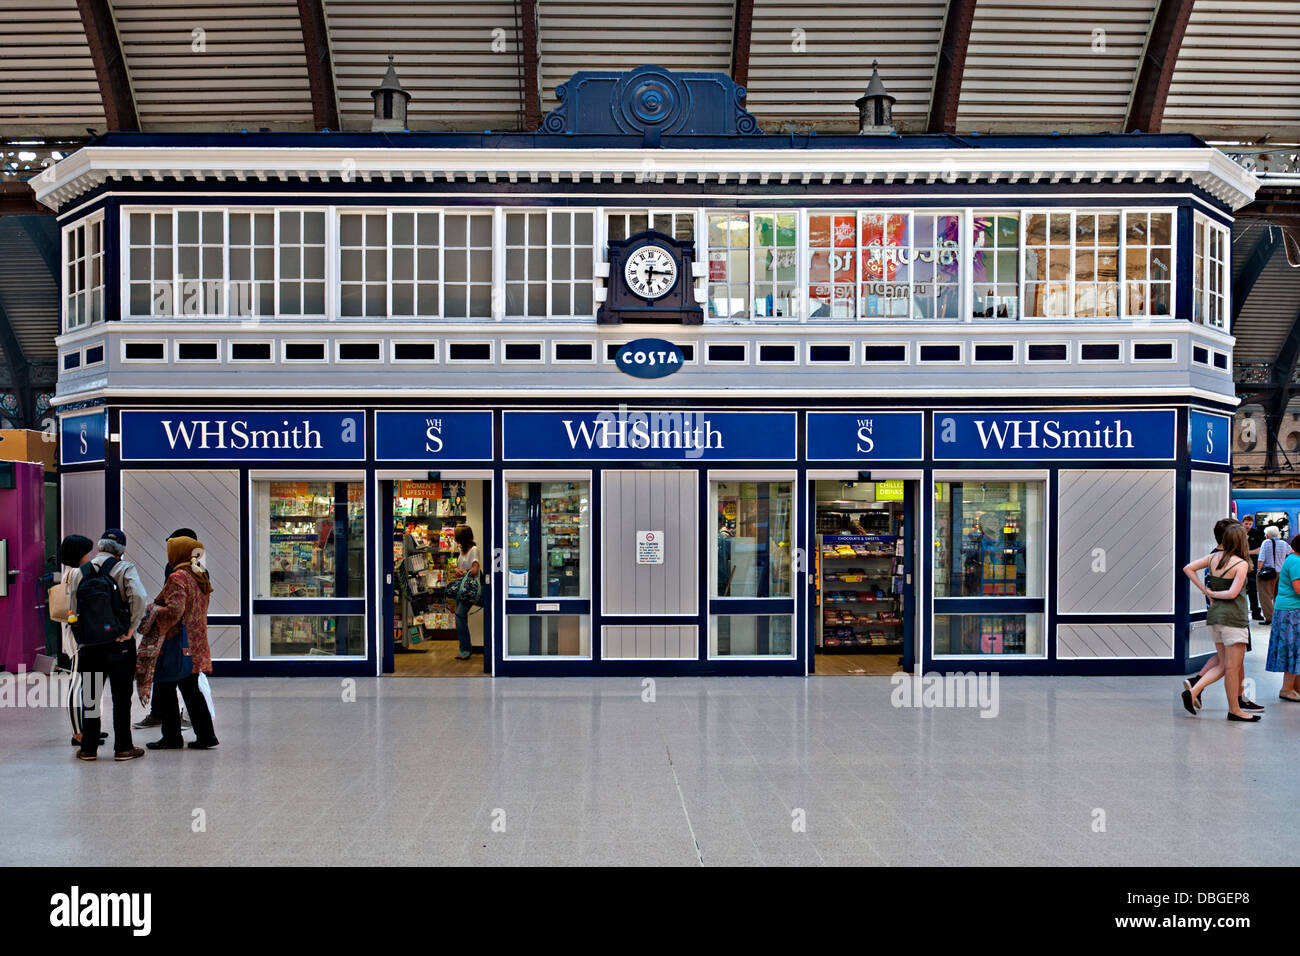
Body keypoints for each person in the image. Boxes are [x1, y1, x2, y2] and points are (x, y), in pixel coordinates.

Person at [70, 531, 145, 761]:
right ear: (120, 551)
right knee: (121, 697)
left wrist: (81, 636)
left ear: (100, 547)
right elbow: (139, 597)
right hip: (119, 643)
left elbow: (73, 609)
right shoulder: (125, 569)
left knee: (91, 695)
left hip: (90, 645)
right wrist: (131, 628)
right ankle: (123, 748)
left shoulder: (79, 573)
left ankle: (89, 748)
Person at [1181, 523, 1263, 721]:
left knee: (1224, 665)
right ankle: (1235, 710)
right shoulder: (1241, 564)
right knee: (1232, 669)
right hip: (1234, 618)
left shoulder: (1212, 558)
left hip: (1215, 618)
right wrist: (1213, 593)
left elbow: (1188, 568)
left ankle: (1193, 691)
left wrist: (1205, 591)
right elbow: (1233, 593)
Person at [145, 535, 218, 750]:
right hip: (195, 640)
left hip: (175, 641)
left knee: (166, 687)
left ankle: (172, 737)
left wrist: (154, 610)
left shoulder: (178, 576)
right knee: (191, 689)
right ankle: (206, 735)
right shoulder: (200, 574)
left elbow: (175, 610)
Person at [134, 527, 197, 731]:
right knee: (189, 680)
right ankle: (200, 728)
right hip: (191, 630)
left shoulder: (177, 572)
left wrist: (153, 610)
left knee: (167, 679)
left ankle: (168, 725)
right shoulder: (198, 569)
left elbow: (172, 604)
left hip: (173, 632)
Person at [57, 535, 105, 750]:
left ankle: (89, 727)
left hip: (78, 634)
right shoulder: (77, 574)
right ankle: (78, 732)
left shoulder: (69, 573)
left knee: (91, 682)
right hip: (79, 637)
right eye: (87, 552)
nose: (90, 556)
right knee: (77, 683)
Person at [1266, 532, 1300, 703]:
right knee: (1293, 649)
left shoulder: (1293, 559)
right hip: (1291, 611)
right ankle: (1286, 689)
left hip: (1288, 610)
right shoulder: (1297, 562)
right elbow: (1299, 588)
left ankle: (1295, 687)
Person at [450, 525, 480, 662]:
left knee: (460, 615)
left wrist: (463, 572)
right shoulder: (462, 551)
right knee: (460, 616)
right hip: (462, 589)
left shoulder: (473, 550)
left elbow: (475, 570)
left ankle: (465, 649)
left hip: (469, 589)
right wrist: (458, 571)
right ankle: (465, 648)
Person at [1257, 525, 1291, 624]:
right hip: (1281, 572)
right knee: (1278, 595)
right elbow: (1291, 552)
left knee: (1266, 596)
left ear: (1267, 535)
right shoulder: (1284, 543)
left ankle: (1269, 618)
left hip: (1268, 573)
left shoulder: (1266, 543)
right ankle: (1279, 617)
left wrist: (1259, 570)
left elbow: (1261, 559)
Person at [1242, 514, 1265, 622]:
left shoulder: (1257, 534)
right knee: (1240, 588)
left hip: (1252, 564)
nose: (1248, 526)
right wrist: (1251, 552)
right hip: (1241, 563)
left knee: (1252, 588)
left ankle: (1256, 612)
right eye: (1246, 524)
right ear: (1242, 523)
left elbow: (1259, 549)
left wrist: (1246, 553)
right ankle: (1242, 612)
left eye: (1250, 524)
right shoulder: (1239, 533)